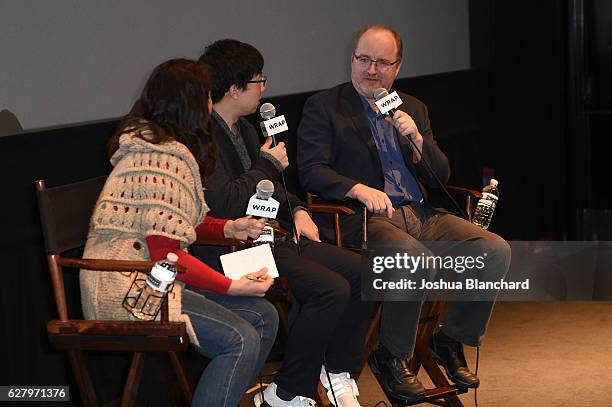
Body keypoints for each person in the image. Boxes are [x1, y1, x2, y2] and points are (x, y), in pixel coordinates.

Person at [297, 25, 511, 402]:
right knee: (412, 257)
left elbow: (441, 175)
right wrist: (358, 189)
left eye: (382, 62)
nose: (371, 70)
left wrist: (418, 140)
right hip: (365, 218)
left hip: (420, 212)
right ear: (352, 60)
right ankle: (392, 356)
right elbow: (311, 169)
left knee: (494, 250)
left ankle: (449, 339)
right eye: (364, 59)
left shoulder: (412, 108)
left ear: (398, 66)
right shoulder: (325, 106)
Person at [80, 59, 279, 407]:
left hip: (151, 281)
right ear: (190, 104)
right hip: (129, 290)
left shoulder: (162, 149)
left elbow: (172, 223)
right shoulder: (161, 157)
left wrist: (230, 227)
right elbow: (166, 254)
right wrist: (232, 285)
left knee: (263, 316)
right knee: (241, 338)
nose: (209, 103)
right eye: (204, 96)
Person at [196, 39, 374, 407]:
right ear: (234, 88)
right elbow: (223, 204)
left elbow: (273, 186)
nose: (264, 88)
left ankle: (336, 372)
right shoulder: (202, 138)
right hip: (232, 249)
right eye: (259, 80)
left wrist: (296, 210)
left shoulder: (244, 128)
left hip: (270, 237)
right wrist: (266, 165)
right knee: (329, 289)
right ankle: (288, 392)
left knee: (362, 271)